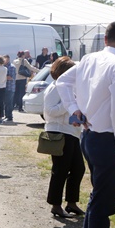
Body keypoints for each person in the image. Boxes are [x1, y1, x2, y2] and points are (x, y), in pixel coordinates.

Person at [55, 20, 115, 228]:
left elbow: (61, 82)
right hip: (107, 139)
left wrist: (74, 109)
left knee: (98, 195)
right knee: (103, 201)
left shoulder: (90, 58)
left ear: (105, 39)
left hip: (89, 136)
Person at [43, 56, 85, 218]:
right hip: (59, 133)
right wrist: (69, 104)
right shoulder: (55, 87)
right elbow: (49, 111)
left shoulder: (69, 88)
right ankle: (56, 205)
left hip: (71, 133)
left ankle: (71, 203)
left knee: (78, 169)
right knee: (60, 170)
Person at [3, 55, 17, 122]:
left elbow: (11, 77)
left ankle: (9, 117)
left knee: (9, 103)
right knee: (6, 102)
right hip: (5, 87)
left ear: (8, 59)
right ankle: (6, 116)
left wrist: (2, 77)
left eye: (5, 59)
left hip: (10, 87)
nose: (3, 61)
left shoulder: (11, 67)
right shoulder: (4, 67)